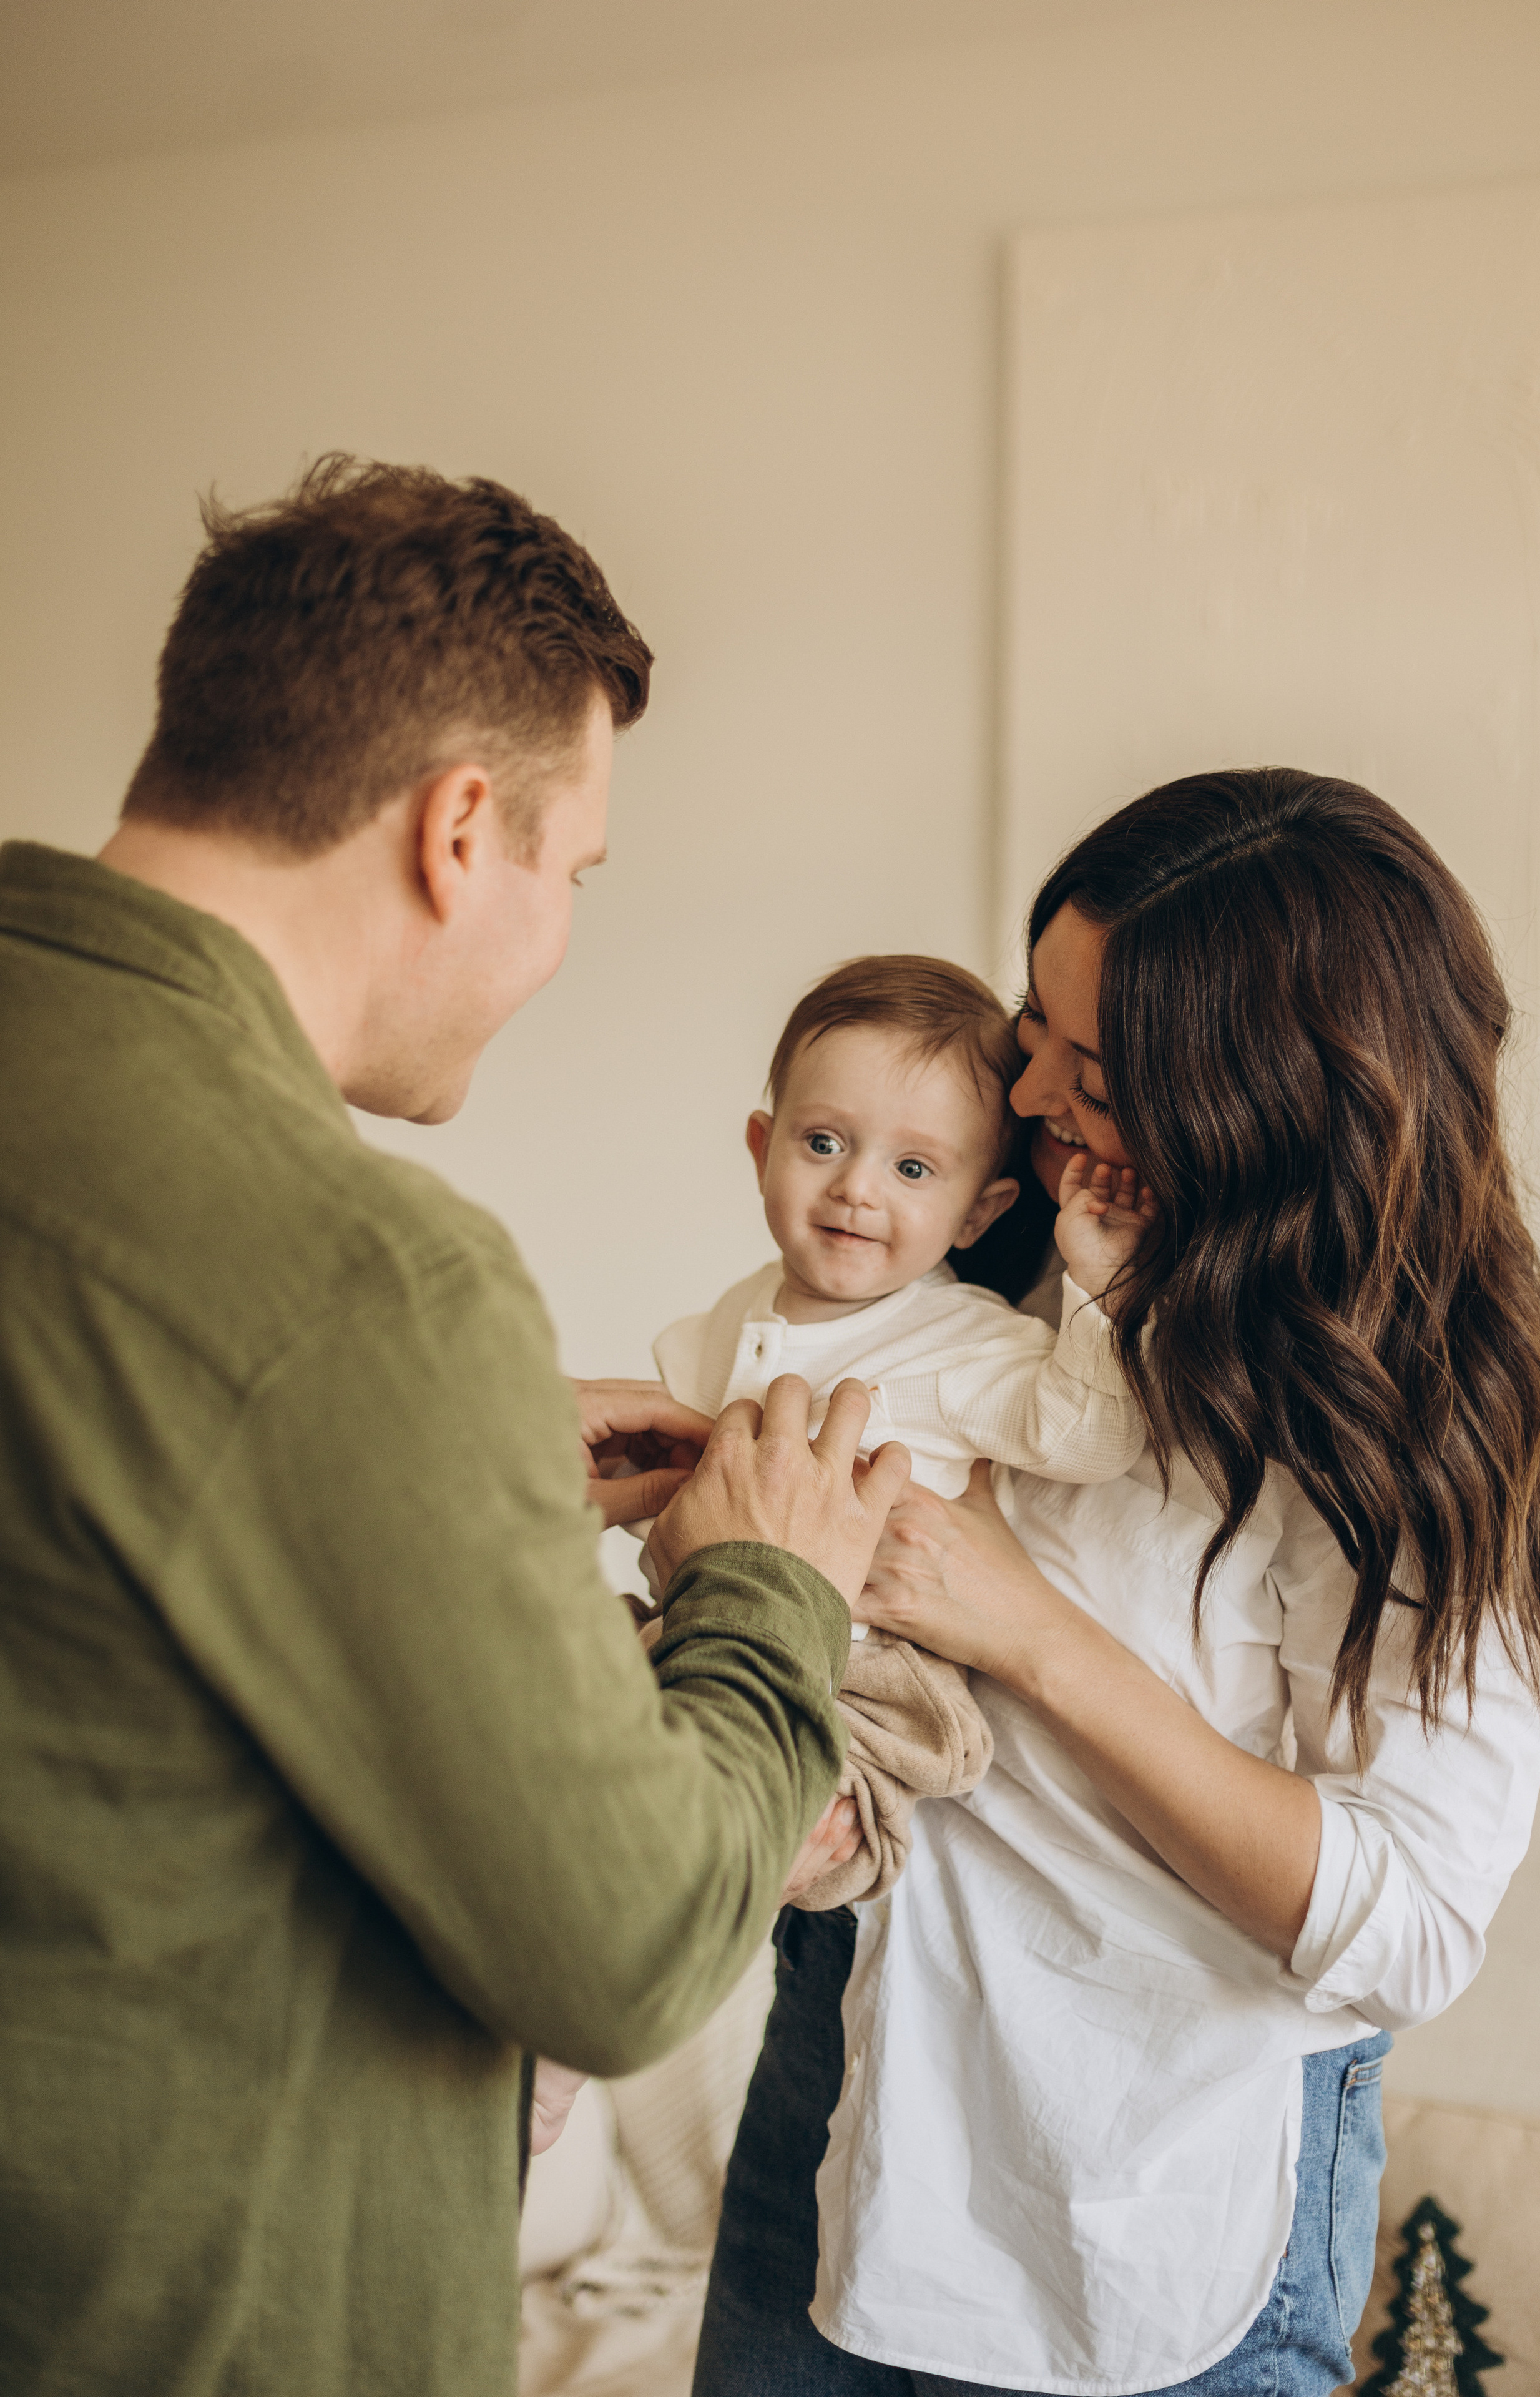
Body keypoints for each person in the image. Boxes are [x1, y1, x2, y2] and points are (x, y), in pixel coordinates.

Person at [0, 455, 907, 2397]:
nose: (561, 933)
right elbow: (625, 1942)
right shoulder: (360, 1278)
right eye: (574, 876)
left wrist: (467, 1445)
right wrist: (769, 1586)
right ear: (459, 827)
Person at [692, 768, 1540, 2397]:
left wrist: (1031, 1636)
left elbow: (1409, 1932)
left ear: (1249, 1098)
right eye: (1038, 1018)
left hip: (1160, 2169)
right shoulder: (991, 1236)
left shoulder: (1410, 1422)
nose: (1023, 1079)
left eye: (1087, 1065)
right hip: (854, 2064)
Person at [637, 953, 1152, 1909]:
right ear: (762, 1149)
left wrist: (1098, 1291)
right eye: (825, 1143)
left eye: (912, 1168)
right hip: (711, 1632)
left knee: (834, 1748)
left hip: (867, 1666)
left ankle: (820, 1823)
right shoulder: (723, 1324)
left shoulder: (965, 1340)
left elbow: (1086, 1439)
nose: (857, 1190)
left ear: (979, 1213)